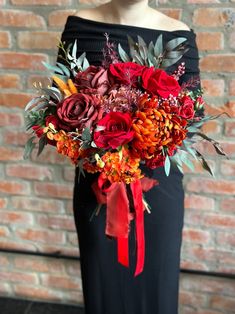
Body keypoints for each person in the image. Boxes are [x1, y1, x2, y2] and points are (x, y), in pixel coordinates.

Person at [57, 1, 201, 313]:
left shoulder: (180, 34)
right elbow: (62, 107)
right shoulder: (79, 26)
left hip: (158, 186)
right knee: (102, 281)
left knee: (158, 281)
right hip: (99, 185)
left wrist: (147, 136)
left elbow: (192, 116)